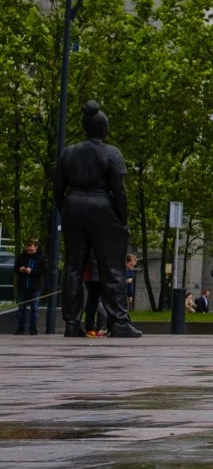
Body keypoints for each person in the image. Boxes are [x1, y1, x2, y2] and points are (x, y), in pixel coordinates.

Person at [57, 102, 141, 338]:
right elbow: (119, 190)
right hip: (101, 207)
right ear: (104, 129)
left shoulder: (67, 152)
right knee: (112, 267)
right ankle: (119, 321)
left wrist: (65, 210)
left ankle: (72, 323)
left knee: (73, 267)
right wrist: (122, 219)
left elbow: (57, 188)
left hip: (73, 205)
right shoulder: (112, 153)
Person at [13, 240, 41, 335]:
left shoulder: (41, 257)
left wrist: (32, 271)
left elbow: (44, 270)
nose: (29, 251)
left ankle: (33, 329)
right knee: (21, 308)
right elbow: (15, 269)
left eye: (31, 250)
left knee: (34, 308)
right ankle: (20, 329)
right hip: (22, 286)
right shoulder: (21, 257)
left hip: (35, 287)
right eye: (27, 249)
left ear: (36, 247)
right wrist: (20, 269)